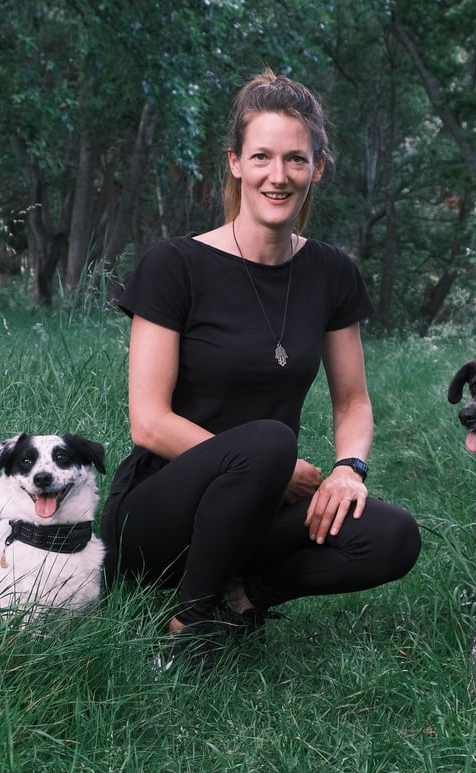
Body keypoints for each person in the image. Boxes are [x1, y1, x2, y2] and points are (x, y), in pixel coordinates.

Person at [101, 69, 421, 670]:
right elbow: (148, 423)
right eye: (262, 157)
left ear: (317, 168)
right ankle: (186, 625)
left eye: (296, 159)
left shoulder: (331, 272)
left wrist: (350, 469)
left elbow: (352, 401)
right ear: (235, 163)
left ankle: (241, 599)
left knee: (393, 535)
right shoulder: (174, 265)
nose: (279, 176)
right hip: (159, 511)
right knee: (271, 441)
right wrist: (268, 467)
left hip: (257, 509)